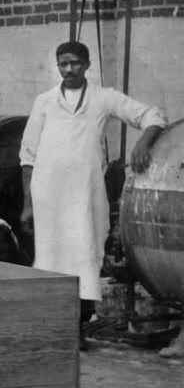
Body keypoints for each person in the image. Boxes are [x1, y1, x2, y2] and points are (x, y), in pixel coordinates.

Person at [19, 41, 165, 349]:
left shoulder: (103, 98)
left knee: (85, 257)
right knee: (51, 258)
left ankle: (78, 329)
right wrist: (27, 204)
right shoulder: (44, 101)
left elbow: (152, 115)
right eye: (62, 64)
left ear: (87, 65)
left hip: (85, 195)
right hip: (48, 194)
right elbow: (28, 156)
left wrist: (143, 144)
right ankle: (55, 329)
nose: (68, 69)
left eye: (74, 63)